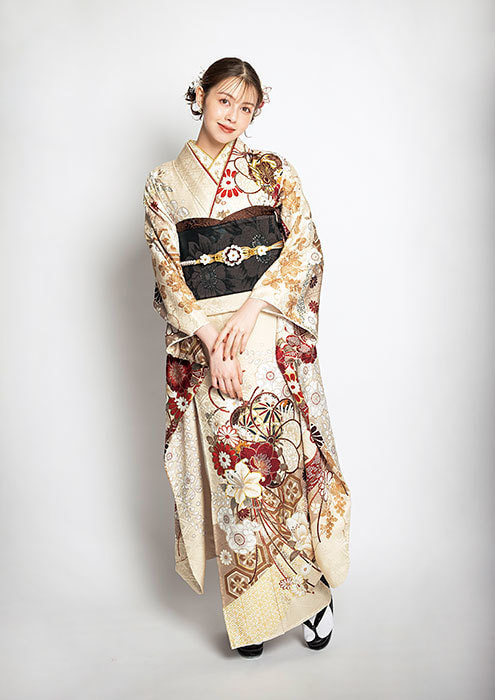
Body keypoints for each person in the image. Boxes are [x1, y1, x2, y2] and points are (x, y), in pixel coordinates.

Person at [142, 57, 351, 658]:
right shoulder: (164, 184)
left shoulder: (273, 170)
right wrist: (213, 345)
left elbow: (305, 245)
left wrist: (254, 308)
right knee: (237, 479)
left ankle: (312, 596)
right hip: (211, 345)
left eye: (247, 107)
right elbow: (169, 275)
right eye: (224, 100)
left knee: (284, 463)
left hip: (267, 334)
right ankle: (254, 613)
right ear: (201, 96)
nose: (233, 115)